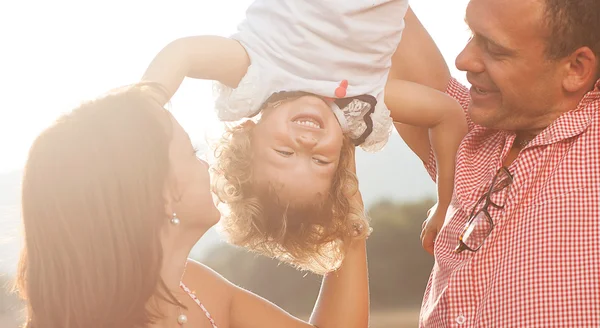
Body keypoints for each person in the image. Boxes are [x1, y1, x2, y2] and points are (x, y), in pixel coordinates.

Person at [13, 84, 369, 328]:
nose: (206, 164)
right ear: (161, 193)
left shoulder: (197, 293)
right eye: (190, 152)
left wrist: (346, 203)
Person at [394, 3, 600, 328]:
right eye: (470, 35)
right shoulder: (470, 136)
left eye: (495, 49)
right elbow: (386, 33)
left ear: (576, 68)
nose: (465, 59)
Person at [142, 0, 467, 273]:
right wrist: (445, 202)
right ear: (342, 157)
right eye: (319, 160)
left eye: (284, 152)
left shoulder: (256, 76)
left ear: (248, 134)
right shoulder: (363, 104)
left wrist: (144, 103)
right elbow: (448, 114)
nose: (305, 145)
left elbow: (183, 53)